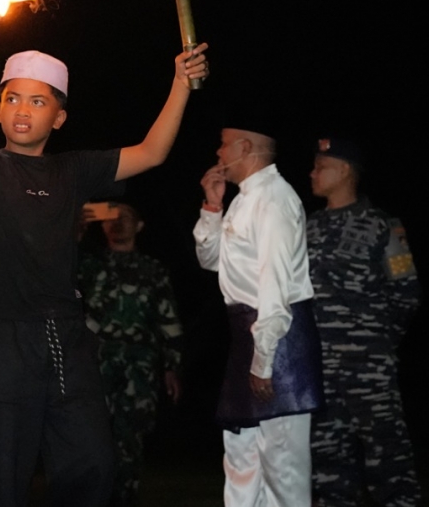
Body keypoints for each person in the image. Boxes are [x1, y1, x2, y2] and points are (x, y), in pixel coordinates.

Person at [0, 0, 208, 507]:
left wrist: (180, 82)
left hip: (67, 335)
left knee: (91, 462)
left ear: (60, 116)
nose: (23, 110)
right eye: (13, 99)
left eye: (38, 102)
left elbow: (153, 151)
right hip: (0, 337)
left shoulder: (75, 170)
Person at [194, 125, 322, 506]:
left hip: (277, 341)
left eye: (223, 144)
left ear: (244, 147)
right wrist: (212, 206)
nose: (218, 153)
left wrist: (264, 359)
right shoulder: (244, 199)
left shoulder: (275, 199)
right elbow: (211, 261)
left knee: (282, 467)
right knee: (242, 460)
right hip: (247, 336)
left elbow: (275, 285)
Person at [305, 138, 421, 506]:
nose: (312, 173)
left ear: (344, 171)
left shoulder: (382, 226)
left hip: (369, 367)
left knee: (389, 458)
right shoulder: (306, 227)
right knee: (328, 464)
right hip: (320, 368)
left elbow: (406, 292)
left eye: (320, 166)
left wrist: (377, 341)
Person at [77, 202, 182, 507]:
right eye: (112, 218)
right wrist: (74, 231)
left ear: (139, 226)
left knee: (131, 438)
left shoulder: (153, 270)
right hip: (97, 364)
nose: (118, 223)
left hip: (140, 366)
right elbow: (55, 272)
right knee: (94, 438)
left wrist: (172, 366)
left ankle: (125, 497)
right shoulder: (89, 265)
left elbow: (168, 319)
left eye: (126, 218)